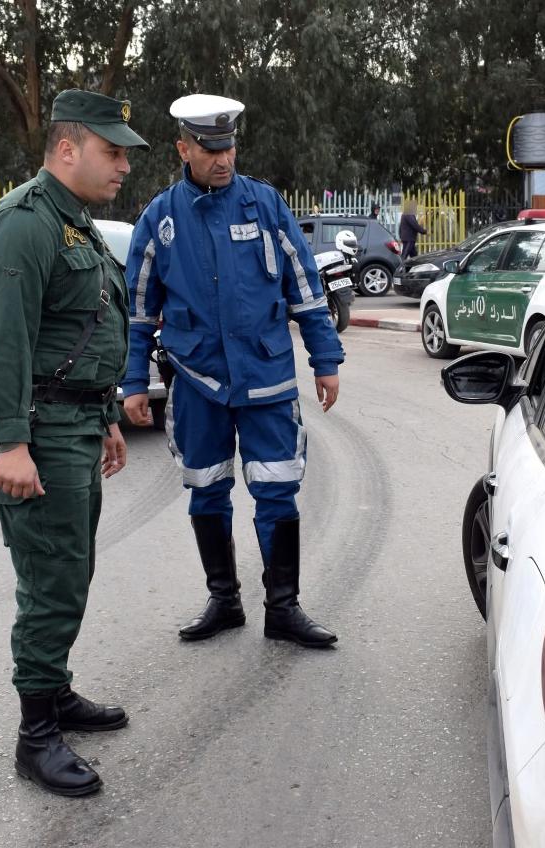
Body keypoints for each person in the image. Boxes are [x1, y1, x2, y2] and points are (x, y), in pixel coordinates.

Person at [0, 90, 149, 797]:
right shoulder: (23, 224)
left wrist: (104, 411)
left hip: (73, 424)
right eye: (112, 151)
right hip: (36, 434)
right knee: (52, 581)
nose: (124, 165)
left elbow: (82, 328)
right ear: (67, 148)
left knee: (67, 571)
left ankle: (56, 691)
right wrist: (10, 443)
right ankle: (35, 734)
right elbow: (0, 344)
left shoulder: (78, 225)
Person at [121, 94, 343, 649]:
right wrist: (131, 383)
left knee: (277, 490)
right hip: (196, 382)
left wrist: (326, 359)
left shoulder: (265, 206)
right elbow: (139, 310)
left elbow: (305, 287)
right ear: (183, 148)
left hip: (266, 378)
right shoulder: (160, 218)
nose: (223, 159)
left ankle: (283, 608)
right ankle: (224, 601)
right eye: (209, 148)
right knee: (205, 490)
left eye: (229, 146)